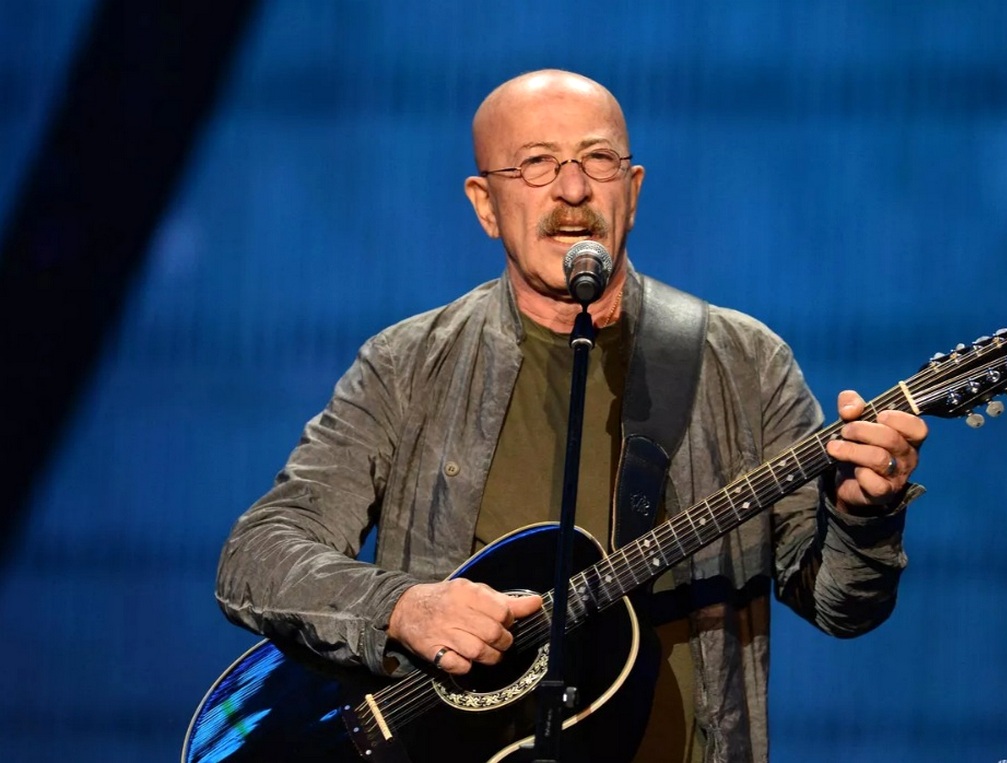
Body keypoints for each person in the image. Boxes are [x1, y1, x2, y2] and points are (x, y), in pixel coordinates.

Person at [216, 69, 927, 762]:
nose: (574, 189)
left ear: (633, 191)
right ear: (485, 205)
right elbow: (257, 556)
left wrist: (864, 516)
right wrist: (403, 608)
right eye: (536, 164)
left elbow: (842, 606)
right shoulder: (406, 364)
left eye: (598, 160)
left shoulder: (744, 363)